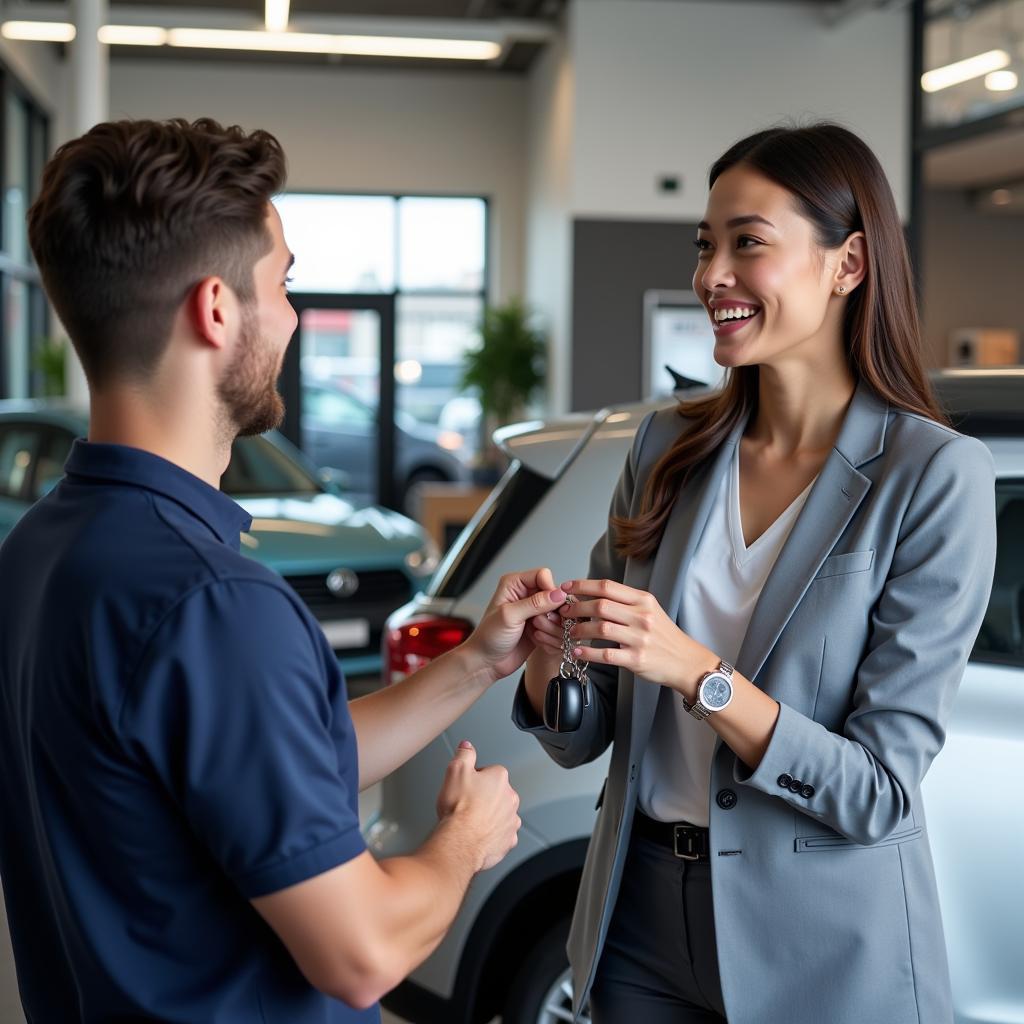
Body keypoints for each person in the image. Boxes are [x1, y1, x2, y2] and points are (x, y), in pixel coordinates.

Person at [0, 117, 569, 1024]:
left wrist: (478, 661)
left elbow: (269, 767)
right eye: (286, 283)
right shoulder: (217, 602)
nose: (297, 315)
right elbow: (364, 951)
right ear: (217, 308)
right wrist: (464, 841)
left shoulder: (40, 548)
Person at [514, 123, 998, 1024]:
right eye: (706, 246)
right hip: (639, 920)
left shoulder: (931, 476)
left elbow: (878, 792)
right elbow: (588, 734)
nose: (712, 276)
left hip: (823, 948)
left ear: (848, 263)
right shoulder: (667, 446)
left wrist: (700, 675)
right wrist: (552, 662)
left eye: (748, 243)